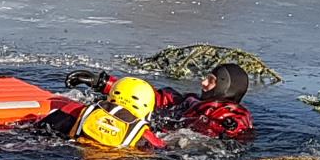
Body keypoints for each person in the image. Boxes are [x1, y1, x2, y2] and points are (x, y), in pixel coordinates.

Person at [66, 62, 254, 141]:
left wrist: (231, 129)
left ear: (226, 86)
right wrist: (103, 83)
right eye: (206, 78)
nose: (203, 83)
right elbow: (150, 96)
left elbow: (240, 122)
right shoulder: (191, 101)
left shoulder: (229, 111)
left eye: (211, 81)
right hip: (160, 136)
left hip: (175, 149)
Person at [42, 74, 167, 150]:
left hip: (70, 150)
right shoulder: (145, 135)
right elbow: (161, 150)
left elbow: (43, 125)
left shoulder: (80, 111)